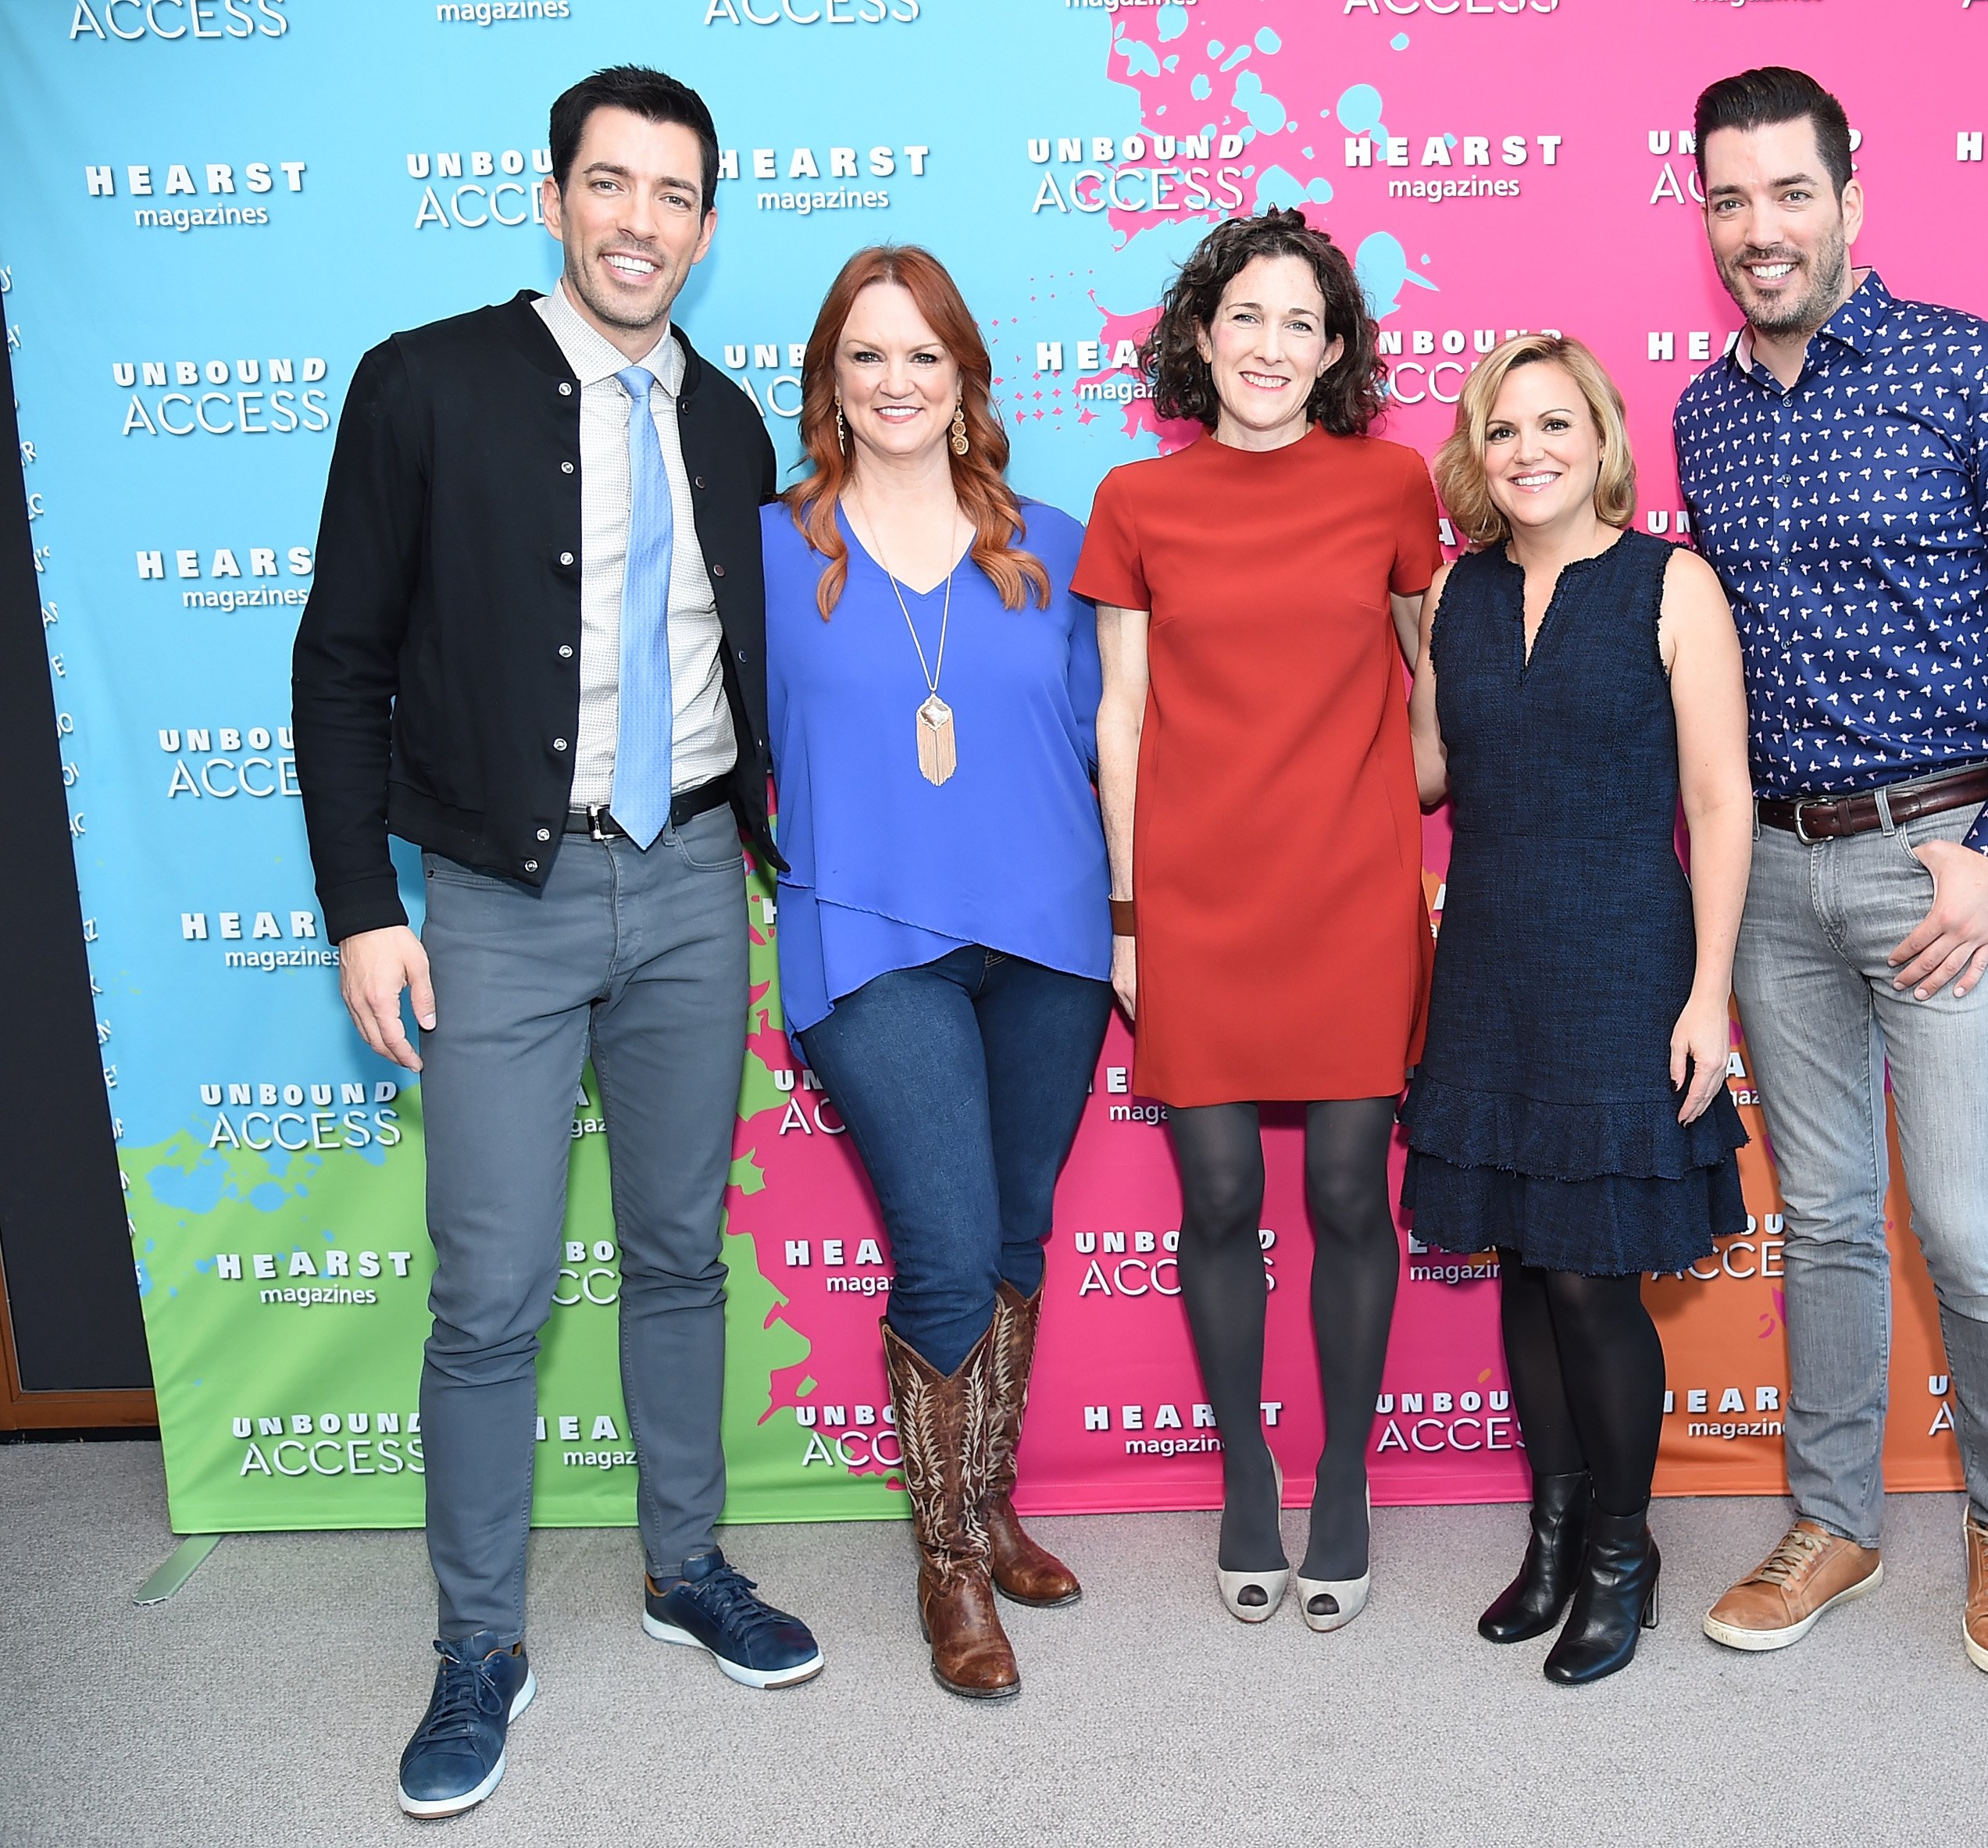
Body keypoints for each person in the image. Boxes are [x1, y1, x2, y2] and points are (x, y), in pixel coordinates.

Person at [293, 67, 822, 1820]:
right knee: (493, 1291)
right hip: (496, 909)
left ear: (707, 224)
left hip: (686, 890)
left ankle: (688, 1569)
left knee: (677, 1254)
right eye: (611, 186)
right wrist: (363, 908)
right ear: (552, 197)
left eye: (675, 196)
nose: (641, 224)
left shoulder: (731, 424)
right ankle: (475, 1646)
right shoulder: (424, 382)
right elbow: (338, 660)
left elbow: (751, 675)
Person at [1674, 67, 1988, 1682]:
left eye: (1787, 193)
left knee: (1973, 1223)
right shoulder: (1702, 413)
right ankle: (1835, 1516)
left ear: (1849, 201)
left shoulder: (1969, 371)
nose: (1758, 229)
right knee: (1831, 1224)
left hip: (1943, 870)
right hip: (1777, 881)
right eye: (1727, 199)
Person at [1075, 209, 1442, 1632]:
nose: (1271, 347)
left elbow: (1435, 688)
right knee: (1220, 1196)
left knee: (1352, 1192)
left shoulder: (1396, 484)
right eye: (1247, 318)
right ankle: (1246, 1474)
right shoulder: (1138, 500)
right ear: (1201, 333)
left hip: (1351, 891)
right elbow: (1123, 713)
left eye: (1303, 323)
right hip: (1195, 896)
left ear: (1336, 347)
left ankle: (1340, 1480)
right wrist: (1125, 917)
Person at [764, 246, 1112, 1700]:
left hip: (1051, 934)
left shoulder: (1057, 541)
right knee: (949, 1235)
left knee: (1018, 1229)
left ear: (967, 375)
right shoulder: (769, 547)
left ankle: (990, 1499)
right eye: (867, 355)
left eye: (925, 355)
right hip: (867, 936)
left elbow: (1118, 742)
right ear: (829, 382)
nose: (898, 381)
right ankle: (948, 1558)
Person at [1402, 335, 1753, 1685]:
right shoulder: (1456, 590)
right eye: (1503, 429)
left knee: (1594, 1280)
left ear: (1602, 439)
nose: (1529, 449)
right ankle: (1550, 1535)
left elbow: (1720, 801)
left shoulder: (1675, 585)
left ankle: (1621, 1549)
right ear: (1476, 455)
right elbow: (1429, 771)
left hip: (1625, 958)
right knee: (1521, 1264)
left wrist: (1708, 992)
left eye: (1556, 423)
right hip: (1489, 960)